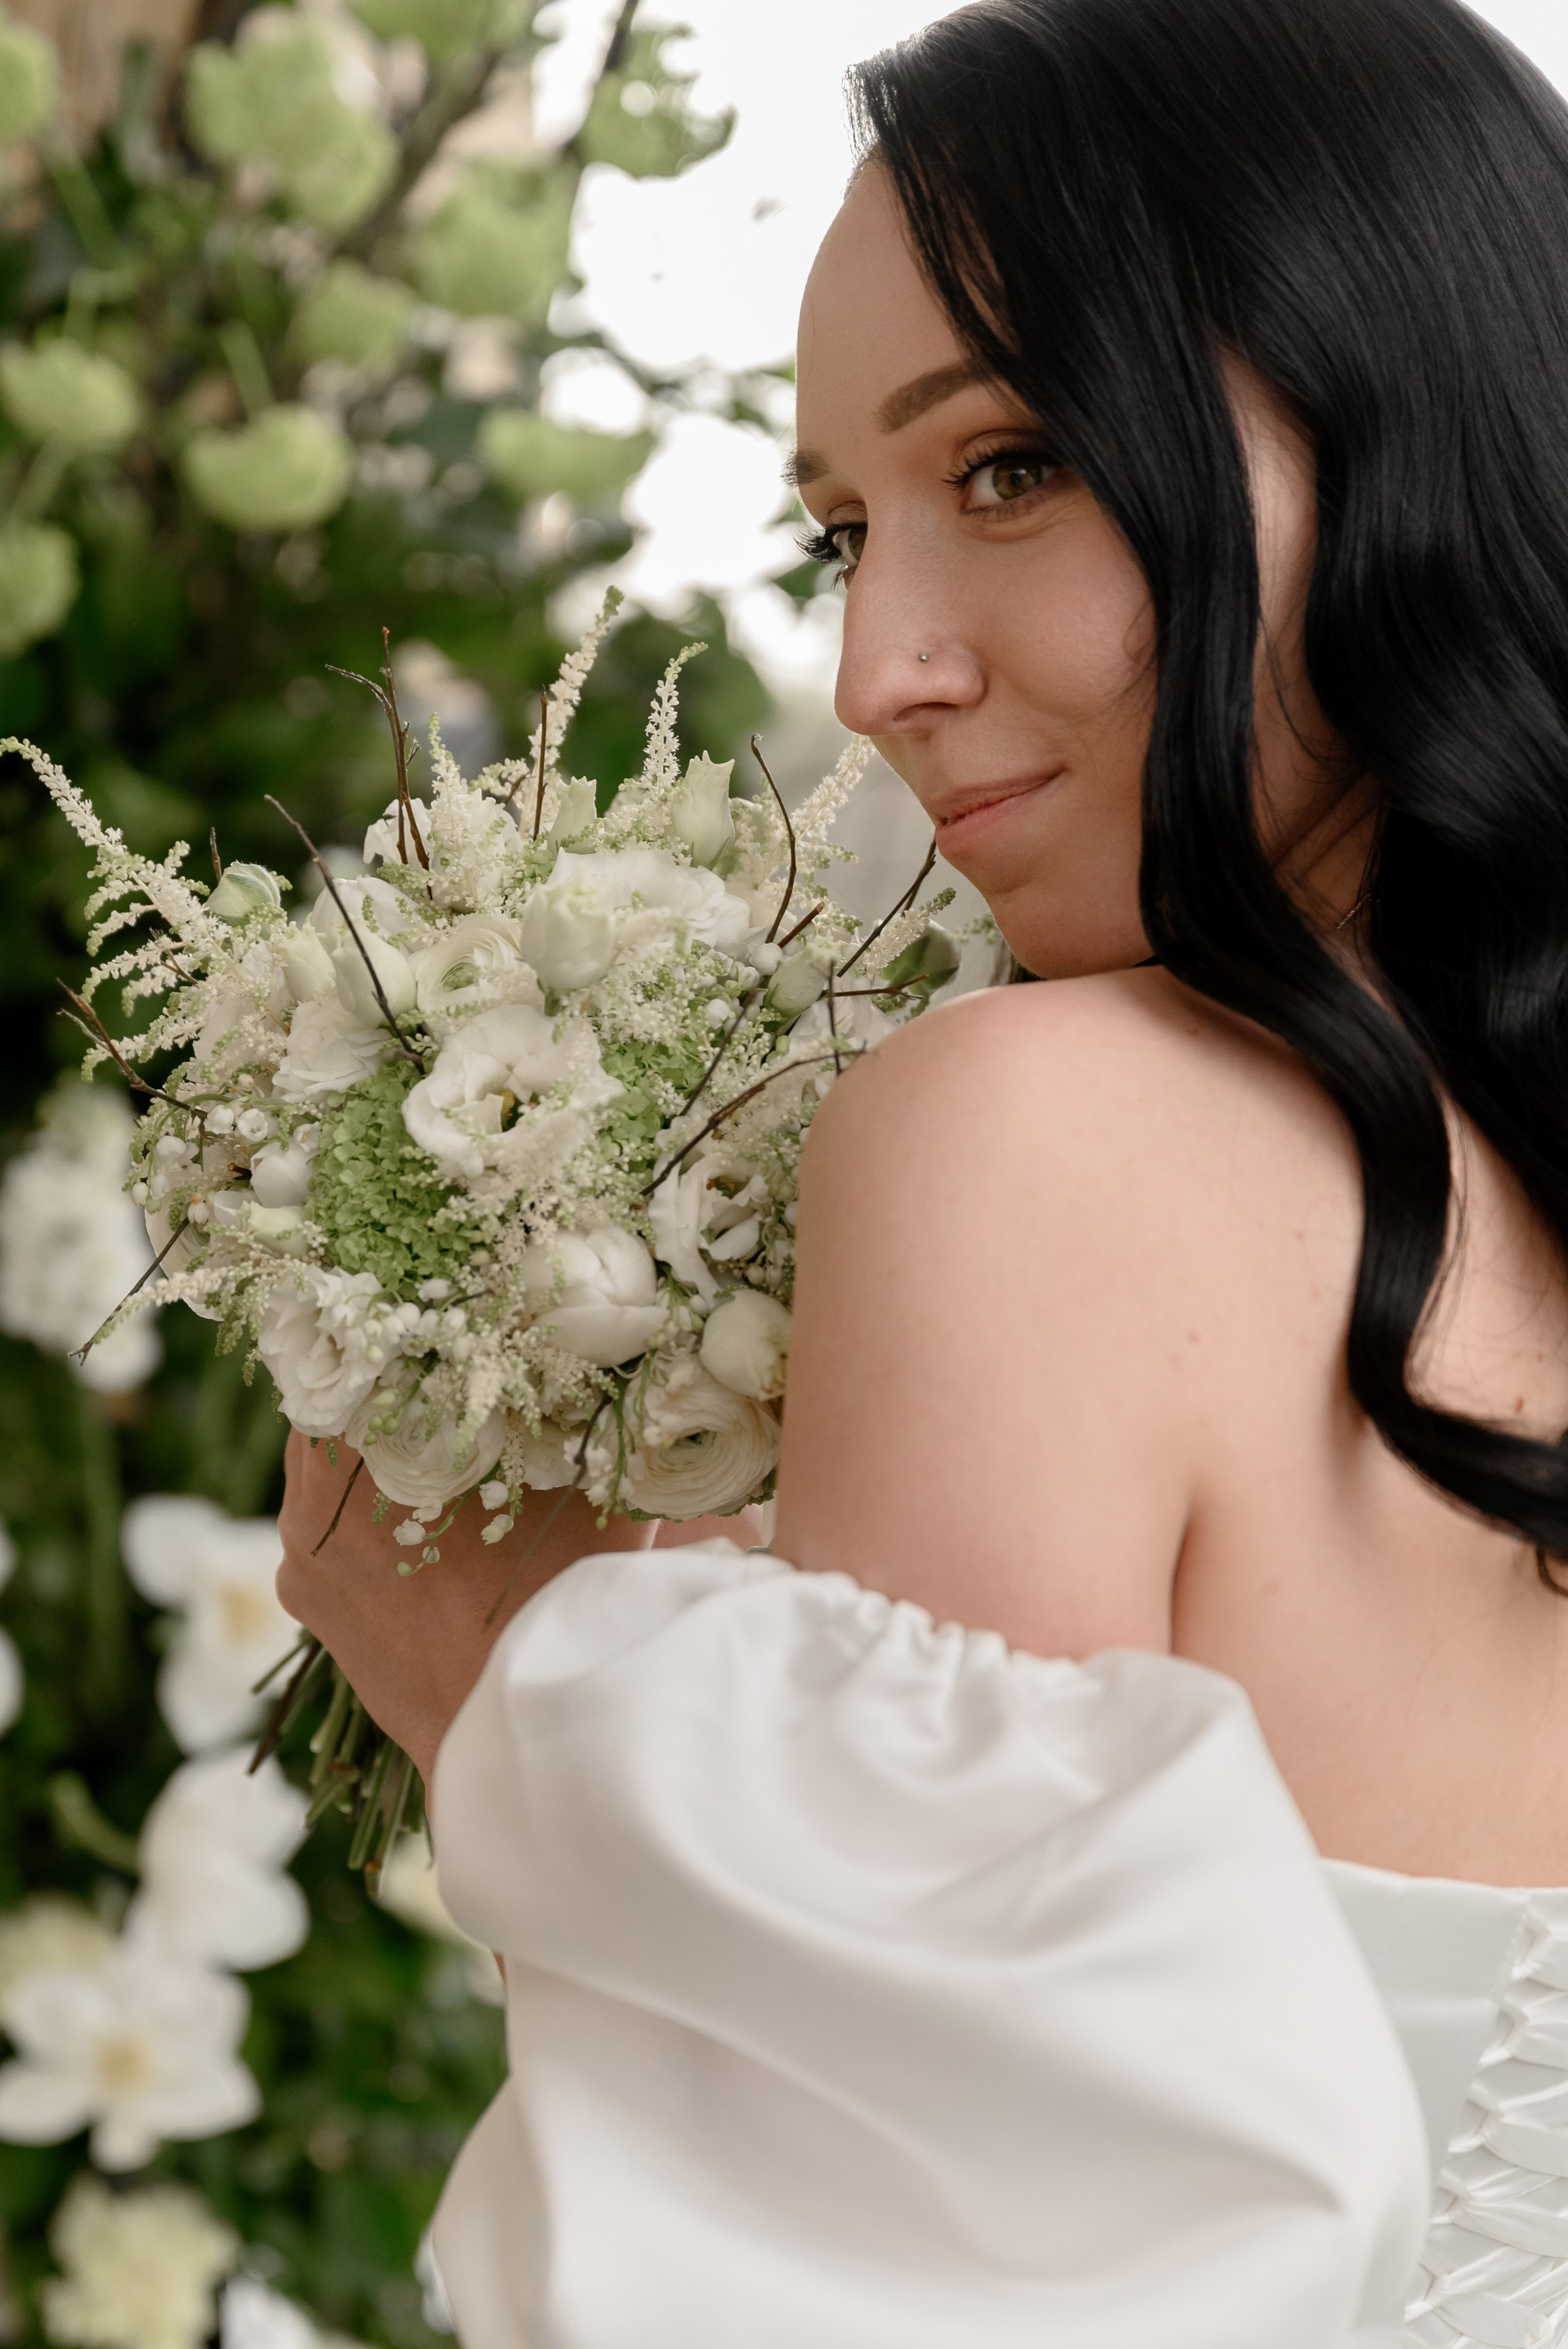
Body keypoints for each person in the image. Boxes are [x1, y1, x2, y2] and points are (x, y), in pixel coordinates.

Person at [278, 0, 1568, 2340]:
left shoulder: (1031, 1142)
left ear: (1407, 410)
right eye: (843, 535)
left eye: (1009, 466)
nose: (880, 668)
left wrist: (536, 1708)